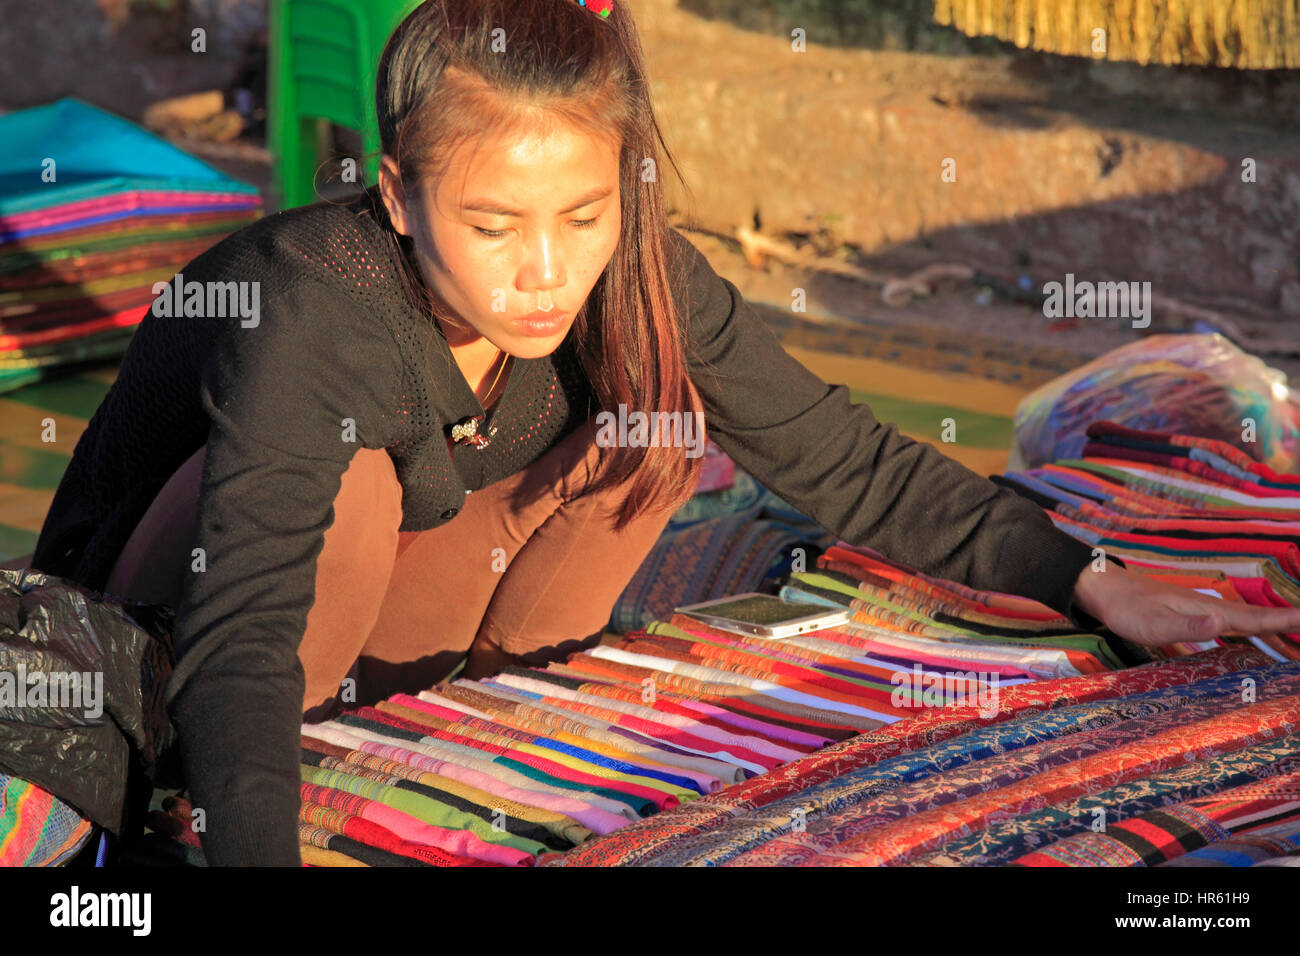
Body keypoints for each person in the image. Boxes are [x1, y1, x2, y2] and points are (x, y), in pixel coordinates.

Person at [29, 0, 1300, 866]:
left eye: (581, 215)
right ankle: (259, 798)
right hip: (170, 625)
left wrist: (1088, 577)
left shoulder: (630, 271)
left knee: (652, 430)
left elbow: (840, 453)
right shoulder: (311, 305)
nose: (547, 270)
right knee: (356, 481)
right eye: (493, 225)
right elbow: (243, 626)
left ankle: (457, 743)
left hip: (386, 606)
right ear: (402, 195)